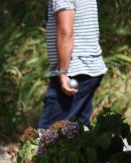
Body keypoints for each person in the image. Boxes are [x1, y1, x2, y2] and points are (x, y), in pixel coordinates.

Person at [38, 0, 107, 130]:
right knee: (79, 133)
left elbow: (66, 32)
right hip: (89, 66)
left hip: (73, 70)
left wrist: (63, 73)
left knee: (48, 133)